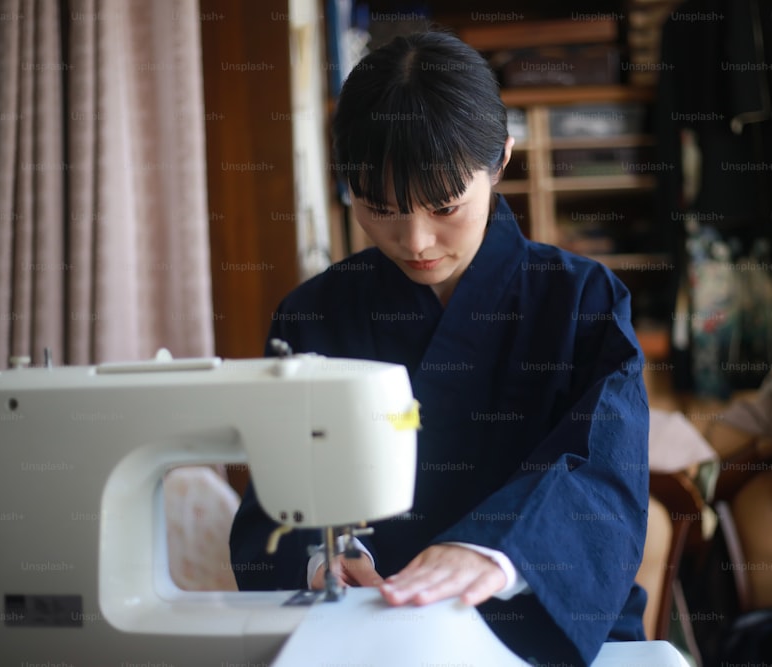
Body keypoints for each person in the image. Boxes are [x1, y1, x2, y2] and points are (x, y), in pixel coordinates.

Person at [229, 30, 650, 667]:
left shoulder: (581, 301)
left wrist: (491, 550)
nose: (416, 239)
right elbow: (277, 498)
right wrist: (320, 561)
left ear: (501, 159)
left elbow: (600, 472)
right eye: (381, 209)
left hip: (545, 624)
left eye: (445, 206)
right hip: (372, 627)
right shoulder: (313, 314)